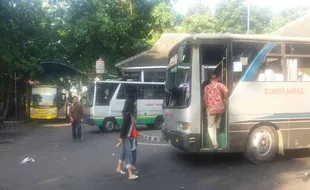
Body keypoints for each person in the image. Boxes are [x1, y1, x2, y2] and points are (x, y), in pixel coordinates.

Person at [116, 94, 138, 180]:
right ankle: (130, 174)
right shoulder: (127, 116)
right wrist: (121, 138)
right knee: (128, 154)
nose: (134, 105)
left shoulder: (130, 115)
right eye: (133, 104)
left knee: (124, 153)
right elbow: (123, 127)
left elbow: (131, 127)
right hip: (125, 137)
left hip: (128, 136)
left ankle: (118, 168)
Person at [204, 74, 228, 150]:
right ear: (217, 79)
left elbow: (205, 99)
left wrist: (206, 107)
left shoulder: (207, 87)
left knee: (210, 126)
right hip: (220, 108)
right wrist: (223, 98)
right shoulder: (220, 85)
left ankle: (215, 144)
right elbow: (226, 90)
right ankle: (216, 134)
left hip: (211, 109)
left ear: (210, 80)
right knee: (217, 124)